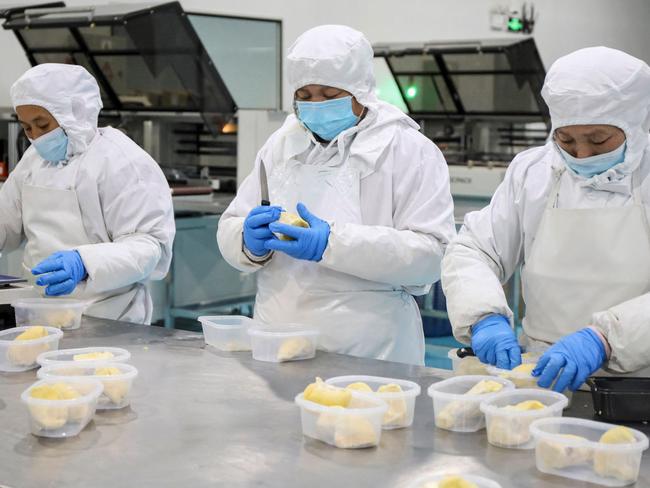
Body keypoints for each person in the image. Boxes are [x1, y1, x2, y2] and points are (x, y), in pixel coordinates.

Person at [217, 25, 456, 365]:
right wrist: (246, 241)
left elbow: (432, 256)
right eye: (305, 95)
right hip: (278, 338)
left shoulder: (406, 150)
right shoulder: (282, 145)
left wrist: (332, 243)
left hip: (368, 348)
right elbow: (232, 222)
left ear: (361, 90)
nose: (316, 105)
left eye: (329, 96)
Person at [441, 47, 650, 392]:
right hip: (540, 376)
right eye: (565, 140)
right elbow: (475, 249)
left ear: (635, 124)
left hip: (638, 386)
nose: (581, 155)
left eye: (598, 141)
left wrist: (606, 339)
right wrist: (483, 315)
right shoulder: (533, 172)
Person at [0, 63, 175, 324]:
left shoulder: (121, 161)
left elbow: (149, 248)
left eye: (43, 125)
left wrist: (83, 262)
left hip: (109, 318)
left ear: (75, 113)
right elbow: (5, 222)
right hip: (40, 313)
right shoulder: (33, 161)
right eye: (27, 128)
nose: (36, 138)